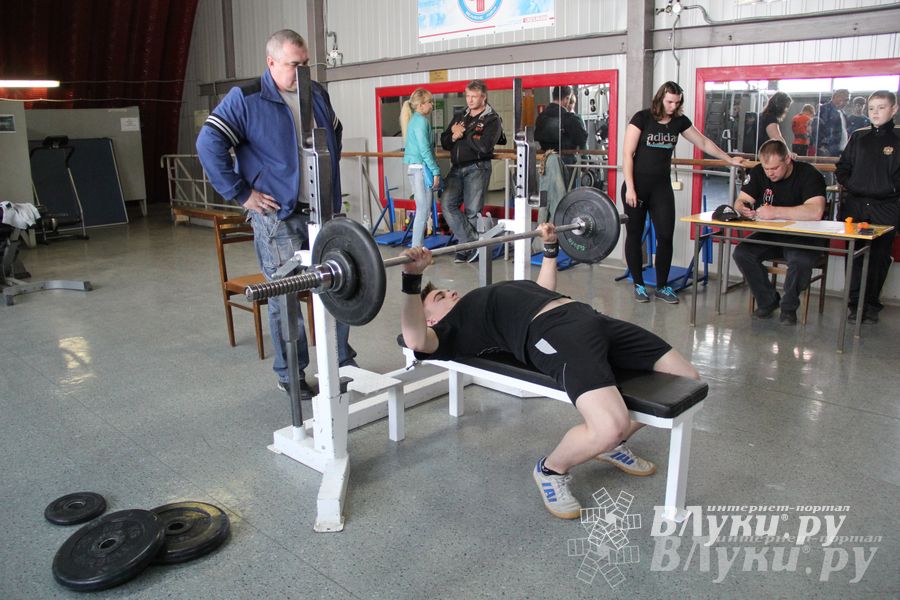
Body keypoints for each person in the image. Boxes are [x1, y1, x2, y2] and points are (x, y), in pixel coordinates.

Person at [399, 224, 701, 519]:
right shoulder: (454, 329)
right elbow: (415, 340)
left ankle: (611, 447)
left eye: (445, 290)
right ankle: (551, 469)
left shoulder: (485, 296)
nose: (450, 292)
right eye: (439, 298)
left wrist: (551, 250)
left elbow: (542, 289)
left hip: (588, 317)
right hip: (554, 335)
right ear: (431, 322)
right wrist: (412, 279)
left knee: (686, 379)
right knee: (609, 426)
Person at [196, 29, 356, 400]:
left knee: (340, 286)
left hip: (323, 211)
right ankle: (291, 374)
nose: (301, 72)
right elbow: (209, 142)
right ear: (271, 62)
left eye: (305, 65)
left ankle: (342, 360)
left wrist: (328, 181)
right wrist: (241, 192)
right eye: (293, 65)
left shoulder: (316, 93)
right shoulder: (246, 98)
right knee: (287, 296)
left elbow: (334, 133)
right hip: (278, 217)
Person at [622, 81, 744, 305]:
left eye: (677, 103)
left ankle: (661, 286)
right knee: (634, 235)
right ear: (660, 98)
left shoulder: (679, 122)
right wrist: (630, 187)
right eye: (669, 102)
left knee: (666, 235)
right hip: (636, 186)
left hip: (661, 187)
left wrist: (729, 160)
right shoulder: (642, 118)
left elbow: (704, 142)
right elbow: (627, 154)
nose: (672, 106)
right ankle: (638, 284)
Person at [733, 140, 827, 326]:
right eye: (767, 168)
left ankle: (788, 307)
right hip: (771, 235)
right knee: (742, 253)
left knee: (799, 261)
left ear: (788, 160)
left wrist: (775, 211)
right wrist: (743, 208)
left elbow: (815, 211)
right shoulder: (760, 171)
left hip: (803, 236)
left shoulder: (809, 174)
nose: (770, 173)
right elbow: (741, 200)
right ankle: (768, 300)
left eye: (775, 168)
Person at [835, 90, 900, 324]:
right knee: (854, 257)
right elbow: (842, 168)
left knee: (880, 258)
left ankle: (871, 304)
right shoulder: (858, 136)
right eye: (872, 108)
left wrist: (890, 187)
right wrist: (852, 184)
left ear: (894, 109)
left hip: (886, 207)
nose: (875, 112)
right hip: (856, 206)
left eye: (881, 107)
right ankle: (854, 305)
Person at [439, 80, 506, 263]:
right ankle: (471, 243)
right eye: (467, 96)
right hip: (456, 168)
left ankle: (467, 249)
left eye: (474, 96)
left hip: (477, 168)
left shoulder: (492, 119)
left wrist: (464, 133)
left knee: (472, 211)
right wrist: (453, 135)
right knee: (447, 203)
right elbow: (445, 141)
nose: (469, 100)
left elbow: (484, 147)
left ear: (483, 97)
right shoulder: (461, 115)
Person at [400, 88, 441, 248]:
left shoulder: (416, 121)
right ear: (421, 105)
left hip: (416, 169)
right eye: (430, 102)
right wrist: (436, 170)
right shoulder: (421, 122)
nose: (432, 105)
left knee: (423, 210)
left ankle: (418, 247)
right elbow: (424, 149)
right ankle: (416, 249)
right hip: (420, 170)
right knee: (423, 210)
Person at [534, 85, 588, 166]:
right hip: (566, 164)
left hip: (545, 163)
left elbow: (537, 137)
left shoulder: (540, 117)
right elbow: (582, 139)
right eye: (568, 99)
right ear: (566, 98)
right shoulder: (569, 118)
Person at [812, 89, 850, 157]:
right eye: (845, 100)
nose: (846, 103)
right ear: (836, 97)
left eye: (847, 100)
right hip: (827, 150)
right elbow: (815, 129)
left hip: (841, 150)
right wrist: (820, 146)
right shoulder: (824, 109)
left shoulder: (843, 113)